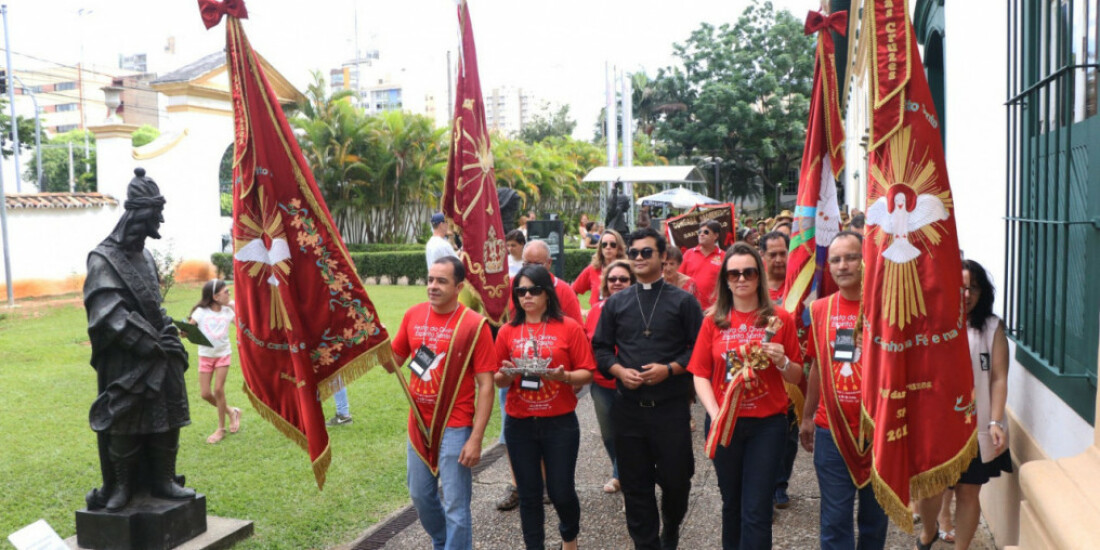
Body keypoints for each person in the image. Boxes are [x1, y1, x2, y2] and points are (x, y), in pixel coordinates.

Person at [84, 168, 195, 511]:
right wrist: (145, 342)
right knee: (125, 421)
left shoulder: (146, 256)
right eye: (156, 213)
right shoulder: (103, 258)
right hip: (126, 358)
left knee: (166, 416)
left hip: (161, 354)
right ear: (141, 215)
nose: (160, 219)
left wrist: (169, 332)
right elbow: (107, 313)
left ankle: (163, 480)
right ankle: (121, 486)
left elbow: (154, 304)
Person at [593, 226, 704, 550]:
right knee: (636, 485)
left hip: (670, 409)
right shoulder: (616, 303)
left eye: (646, 252)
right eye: (634, 253)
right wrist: (618, 371)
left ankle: (670, 527)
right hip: (628, 410)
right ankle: (647, 544)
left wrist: (669, 369)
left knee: (677, 482)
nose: (638, 258)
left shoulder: (683, 301)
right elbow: (600, 348)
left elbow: (698, 348)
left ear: (662, 257)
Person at [689, 242, 803, 549]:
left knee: (756, 509)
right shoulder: (712, 320)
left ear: (759, 275)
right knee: (731, 505)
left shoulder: (780, 319)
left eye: (748, 272)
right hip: (725, 423)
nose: (741, 279)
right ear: (725, 279)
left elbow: (797, 375)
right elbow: (699, 373)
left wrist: (782, 361)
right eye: (734, 273)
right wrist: (715, 414)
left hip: (768, 425)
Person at [391, 256, 497, 550]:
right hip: (419, 424)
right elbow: (394, 363)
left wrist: (476, 439)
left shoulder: (475, 325)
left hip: (455, 424)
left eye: (441, 281)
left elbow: (486, 385)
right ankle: (442, 540)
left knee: (456, 506)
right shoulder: (413, 315)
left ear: (459, 286)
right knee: (421, 496)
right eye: (430, 279)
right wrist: (375, 343)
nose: (433, 286)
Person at [798, 231, 888, 550]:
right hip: (831, 431)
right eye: (835, 259)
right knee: (835, 520)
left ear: (866, 261)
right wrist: (807, 417)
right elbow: (818, 368)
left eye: (850, 257)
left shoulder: (885, 310)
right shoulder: (821, 310)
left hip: (879, 433)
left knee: (875, 520)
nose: (842, 266)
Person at [495, 265, 595, 550]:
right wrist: (509, 374)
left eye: (534, 290)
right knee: (529, 494)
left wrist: (563, 377)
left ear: (547, 294)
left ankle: (569, 537)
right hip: (520, 423)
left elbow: (587, 372)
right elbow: (498, 379)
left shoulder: (568, 328)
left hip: (559, 422)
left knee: (561, 491)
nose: (527, 296)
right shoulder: (507, 332)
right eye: (521, 291)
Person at [915, 259, 1012, 550]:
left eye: (973, 288)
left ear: (983, 293)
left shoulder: (991, 328)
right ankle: (928, 532)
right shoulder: (929, 324)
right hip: (938, 426)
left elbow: (998, 378)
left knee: (969, 492)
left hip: (977, 424)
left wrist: (996, 421)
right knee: (931, 490)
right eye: (960, 288)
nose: (966, 294)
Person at [583, 260, 636, 494]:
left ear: (633, 282)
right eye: (612, 279)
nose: (617, 283)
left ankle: (622, 474)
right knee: (609, 434)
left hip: (632, 383)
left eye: (623, 279)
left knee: (629, 433)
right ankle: (621, 470)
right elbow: (589, 343)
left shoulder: (640, 308)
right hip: (602, 383)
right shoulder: (596, 310)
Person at [757, 230, 799, 510]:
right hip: (762, 375)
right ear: (762, 256)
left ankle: (780, 484)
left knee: (790, 434)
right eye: (772, 254)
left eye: (783, 253)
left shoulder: (801, 287)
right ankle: (763, 487)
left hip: (793, 369)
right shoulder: (755, 289)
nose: (779, 259)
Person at [187, 279, 242, 443]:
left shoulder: (228, 311)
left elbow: (242, 326)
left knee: (218, 390)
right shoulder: (201, 312)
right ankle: (232, 411)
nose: (229, 293)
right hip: (205, 356)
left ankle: (221, 429)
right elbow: (190, 329)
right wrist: (185, 333)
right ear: (216, 296)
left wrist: (234, 307)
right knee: (205, 394)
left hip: (223, 354)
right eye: (226, 292)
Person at [519, 240, 583, 324]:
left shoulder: (564, 291)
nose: (532, 269)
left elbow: (577, 329)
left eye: (537, 265)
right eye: (527, 264)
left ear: (549, 263)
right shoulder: (514, 286)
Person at [572, 229, 627, 308]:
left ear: (619, 248)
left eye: (612, 244)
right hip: (597, 318)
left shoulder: (627, 270)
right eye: (604, 244)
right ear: (600, 248)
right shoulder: (592, 269)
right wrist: (580, 310)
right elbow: (572, 291)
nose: (608, 247)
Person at [680, 219, 724, 310]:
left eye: (706, 232)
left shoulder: (724, 256)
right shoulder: (688, 254)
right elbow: (679, 278)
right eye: (699, 232)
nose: (701, 234)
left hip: (713, 310)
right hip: (688, 307)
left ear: (716, 236)